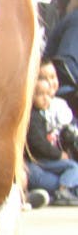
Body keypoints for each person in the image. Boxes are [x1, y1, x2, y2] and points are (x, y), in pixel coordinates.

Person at [26, 74, 78, 205]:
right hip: (37, 161)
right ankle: (63, 191)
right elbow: (38, 144)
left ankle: (58, 192)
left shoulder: (41, 115)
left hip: (44, 162)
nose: (45, 99)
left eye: (48, 95)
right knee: (73, 167)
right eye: (40, 94)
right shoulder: (32, 117)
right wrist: (59, 154)